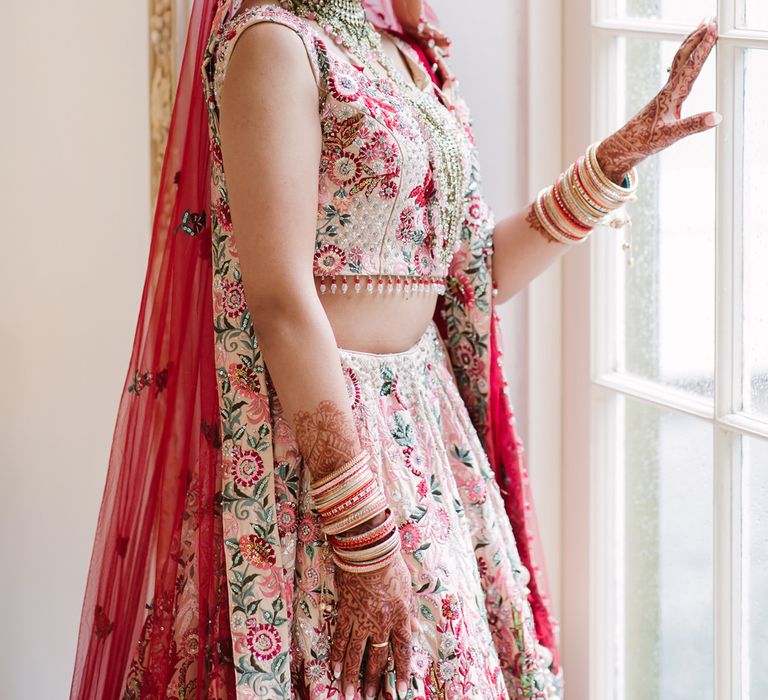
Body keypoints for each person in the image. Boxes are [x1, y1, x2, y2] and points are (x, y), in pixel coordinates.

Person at [69, 1, 719, 698]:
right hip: (322, 455)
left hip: (429, 443)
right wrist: (363, 541)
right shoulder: (272, 43)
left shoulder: (401, 49)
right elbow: (281, 301)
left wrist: (609, 164)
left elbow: (469, 278)